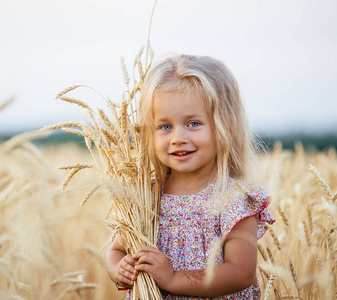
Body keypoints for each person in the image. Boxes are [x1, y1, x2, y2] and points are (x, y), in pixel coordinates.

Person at [106, 54, 275, 299]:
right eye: (165, 126)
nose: (178, 138)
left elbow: (240, 273)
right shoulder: (145, 198)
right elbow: (116, 251)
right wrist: (120, 270)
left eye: (193, 124)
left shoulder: (234, 200)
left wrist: (173, 278)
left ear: (224, 125)